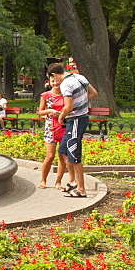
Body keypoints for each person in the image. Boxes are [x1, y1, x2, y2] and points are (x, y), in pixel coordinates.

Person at [48, 62, 98, 198]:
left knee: (74, 153)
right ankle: (72, 181)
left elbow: (68, 107)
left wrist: (61, 117)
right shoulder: (80, 77)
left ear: (55, 74)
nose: (55, 82)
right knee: (63, 150)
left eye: (53, 78)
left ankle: (81, 190)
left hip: (75, 120)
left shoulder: (65, 84)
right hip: (78, 118)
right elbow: (93, 93)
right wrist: (80, 103)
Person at [37, 77, 73, 190]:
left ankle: (58, 182)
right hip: (51, 127)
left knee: (62, 156)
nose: (55, 83)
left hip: (64, 127)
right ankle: (43, 180)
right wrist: (51, 111)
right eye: (53, 81)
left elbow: (70, 108)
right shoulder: (45, 95)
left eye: (58, 81)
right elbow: (40, 111)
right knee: (50, 156)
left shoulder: (67, 95)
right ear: (49, 82)